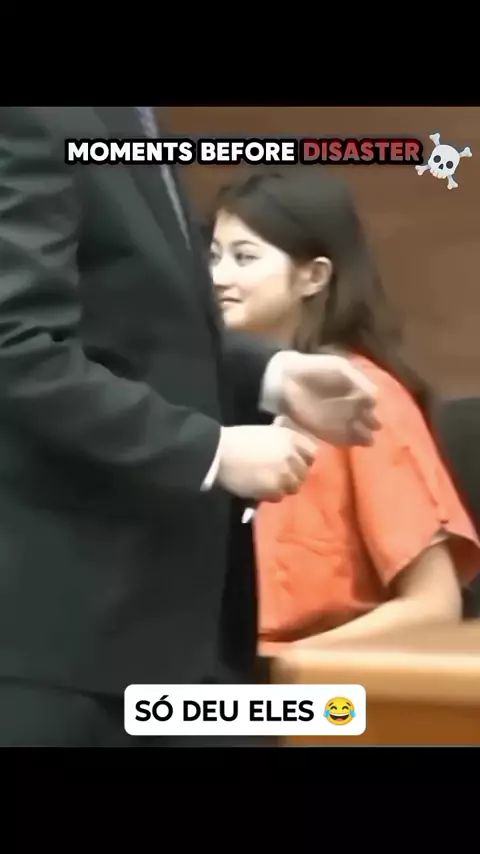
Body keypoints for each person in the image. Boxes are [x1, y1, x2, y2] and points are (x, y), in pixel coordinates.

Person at [0, 108, 379, 746]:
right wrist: (209, 450)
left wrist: (271, 374)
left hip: (179, 641)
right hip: (69, 648)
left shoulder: (131, 119)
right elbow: (15, 345)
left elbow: (138, 328)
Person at [209, 167, 480, 652]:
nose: (218, 277)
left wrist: (283, 667)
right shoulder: (199, 396)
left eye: (244, 257)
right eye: (213, 257)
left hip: (310, 676)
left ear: (313, 276)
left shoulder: (359, 399)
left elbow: (432, 605)